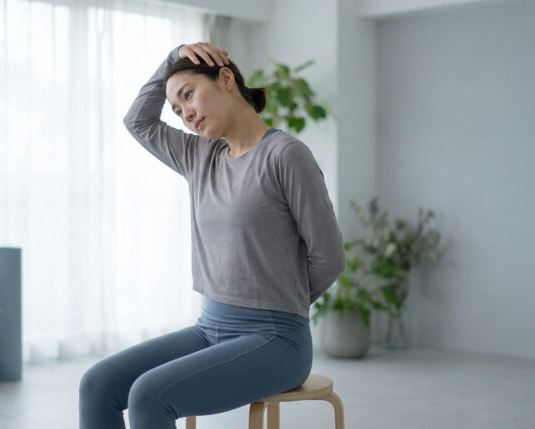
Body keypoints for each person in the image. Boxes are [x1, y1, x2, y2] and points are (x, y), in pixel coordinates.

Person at [79, 41, 345, 429]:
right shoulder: (200, 157)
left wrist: (280, 301)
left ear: (225, 79)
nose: (185, 113)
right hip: (211, 328)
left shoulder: (285, 155)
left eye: (188, 95)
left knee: (149, 395)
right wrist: (173, 58)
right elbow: (139, 121)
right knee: (97, 385)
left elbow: (330, 258)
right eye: (177, 109)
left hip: (278, 341)